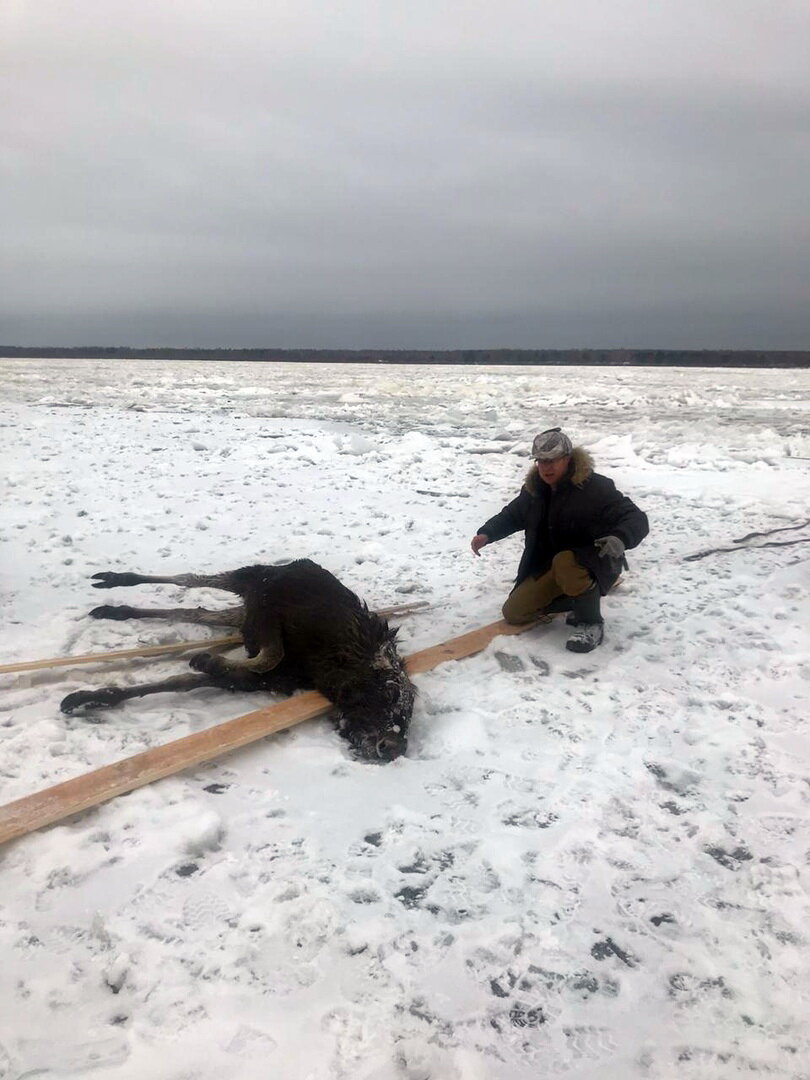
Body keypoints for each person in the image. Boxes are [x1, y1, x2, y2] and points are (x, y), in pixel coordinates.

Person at [470, 427, 649, 652]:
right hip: (550, 567)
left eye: (553, 461)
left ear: (568, 458)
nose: (546, 468)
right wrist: (487, 533)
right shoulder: (535, 490)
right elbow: (513, 515)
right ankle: (579, 598)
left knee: (566, 561)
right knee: (514, 613)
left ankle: (591, 623)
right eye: (541, 461)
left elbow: (635, 517)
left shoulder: (596, 488)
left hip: (595, 563)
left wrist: (620, 537)